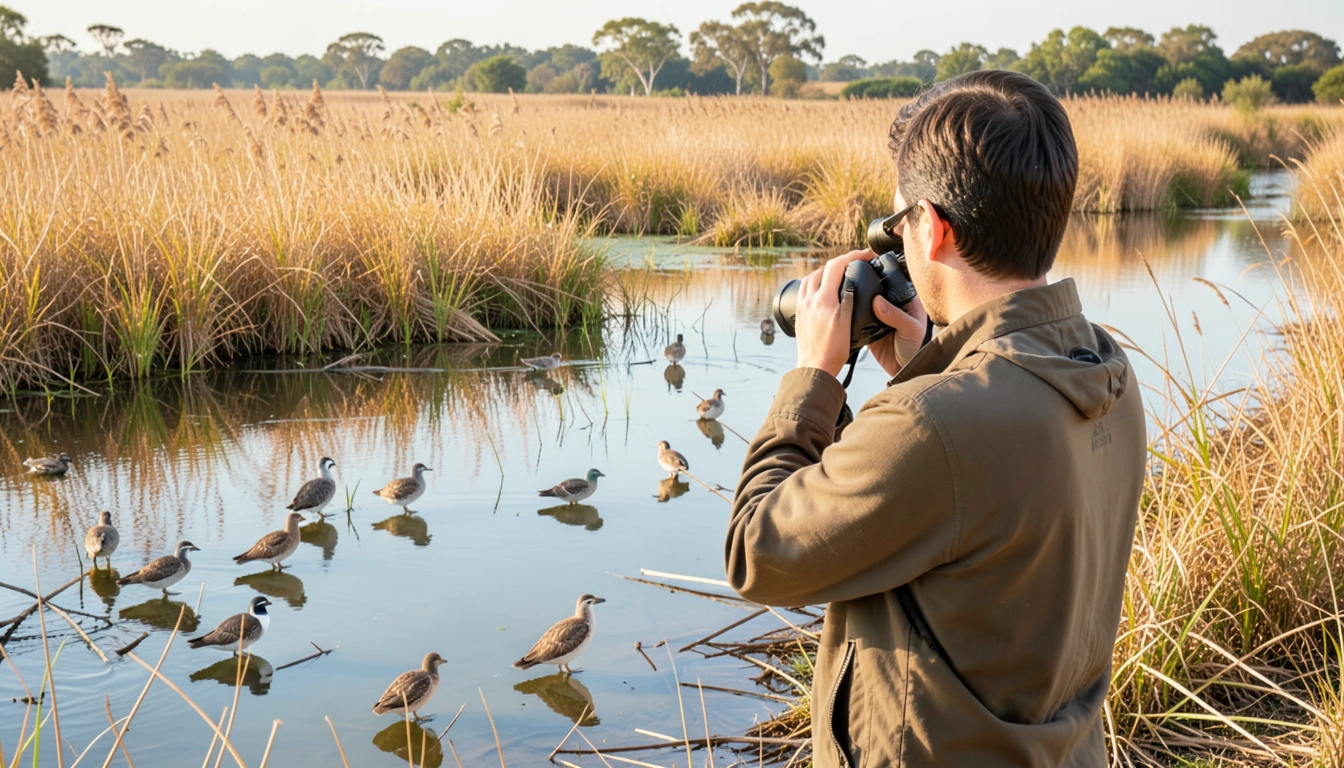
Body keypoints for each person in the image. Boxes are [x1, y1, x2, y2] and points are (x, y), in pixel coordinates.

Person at [725, 70, 1146, 767]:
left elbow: (757, 554)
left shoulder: (933, 426)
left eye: (895, 226)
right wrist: (929, 365)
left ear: (934, 226)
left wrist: (816, 375)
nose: (895, 245)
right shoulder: (1102, 367)